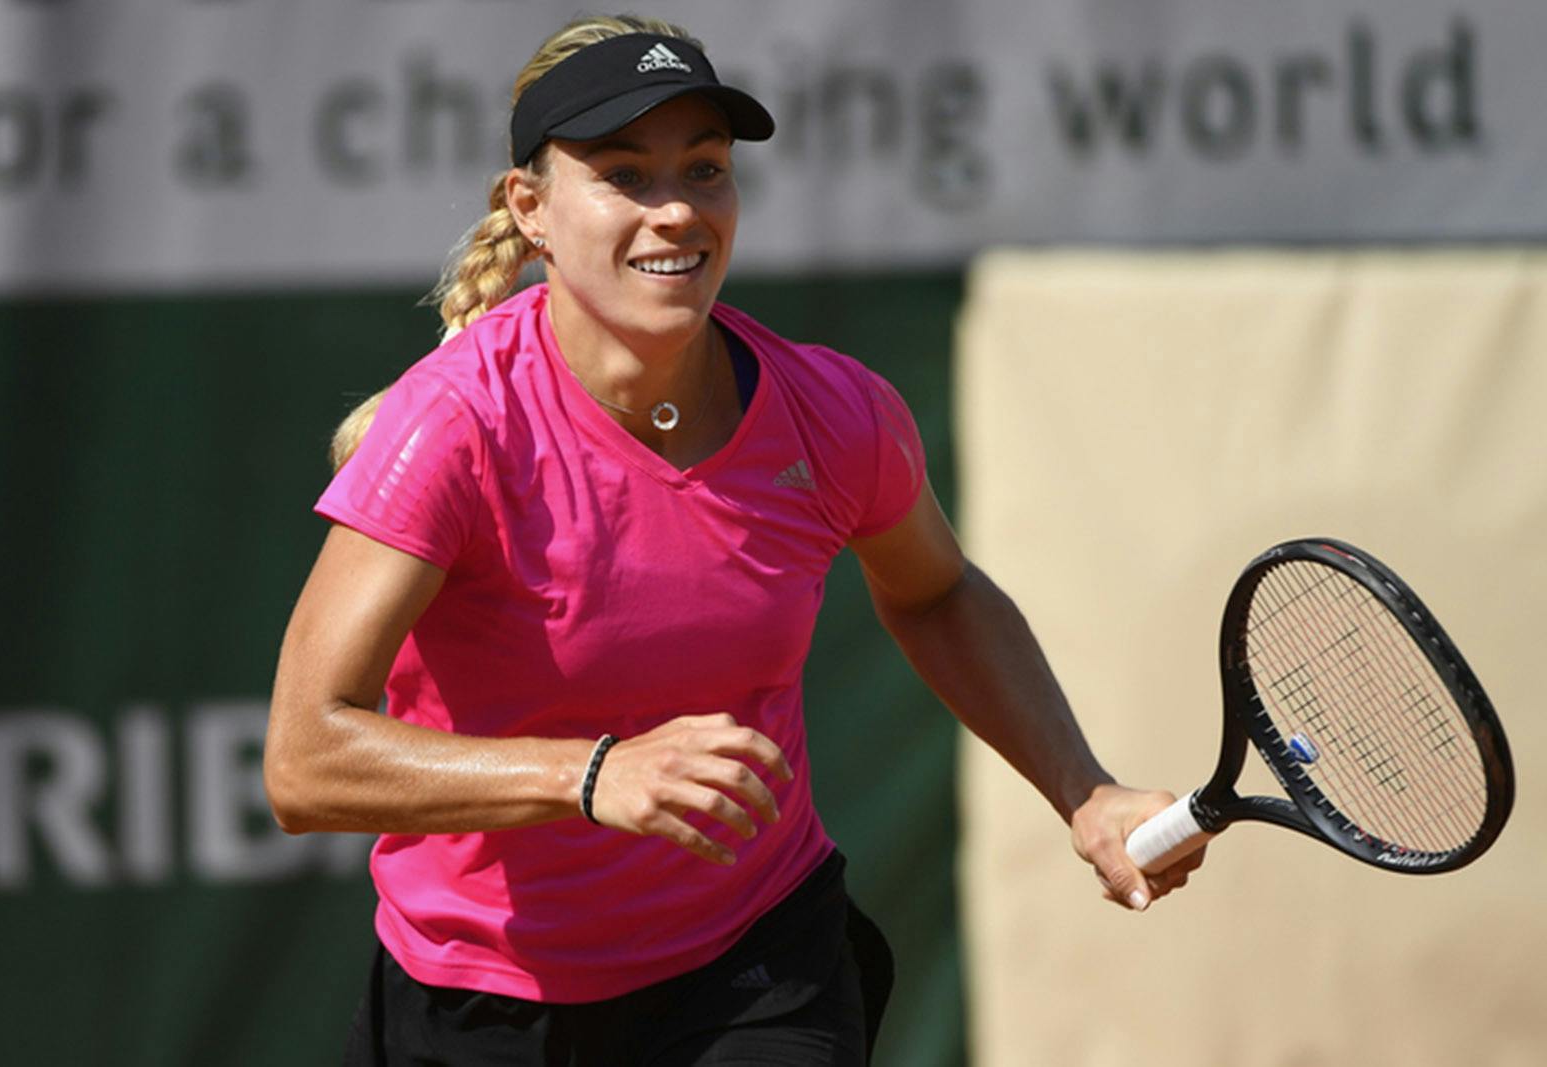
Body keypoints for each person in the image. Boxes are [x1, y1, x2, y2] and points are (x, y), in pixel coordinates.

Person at [264, 13, 1203, 1066]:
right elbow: (304, 759)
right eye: (625, 174)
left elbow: (934, 592)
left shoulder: (835, 413)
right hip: (480, 997)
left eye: (704, 170)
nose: (675, 211)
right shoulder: (454, 427)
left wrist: (1084, 787)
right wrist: (590, 775)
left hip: (750, 962)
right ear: (530, 208)